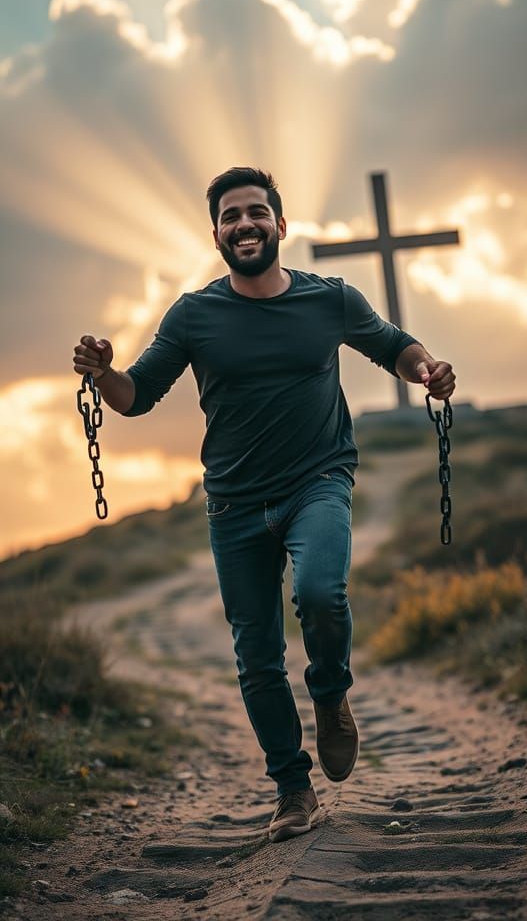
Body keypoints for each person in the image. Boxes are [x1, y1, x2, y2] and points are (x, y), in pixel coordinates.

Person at [73, 166, 456, 843]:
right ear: (216, 234)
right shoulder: (193, 315)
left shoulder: (329, 299)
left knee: (321, 593)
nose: (244, 224)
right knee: (256, 657)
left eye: (255, 212)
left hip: (318, 481)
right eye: (230, 216)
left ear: (280, 224)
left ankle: (331, 693)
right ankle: (291, 789)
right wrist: (104, 372)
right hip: (234, 506)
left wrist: (427, 369)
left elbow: (394, 346)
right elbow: (136, 396)